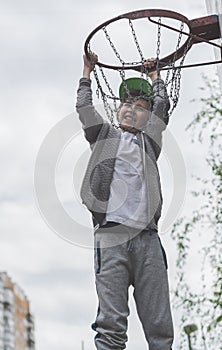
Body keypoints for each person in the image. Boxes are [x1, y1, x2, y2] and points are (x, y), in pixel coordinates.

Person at [76, 52, 174, 350]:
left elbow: (162, 108)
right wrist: (86, 72)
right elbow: (83, 107)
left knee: (159, 327)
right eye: (126, 104)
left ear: (147, 118)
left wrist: (156, 77)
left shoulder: (149, 141)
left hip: (147, 240)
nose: (131, 109)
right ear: (118, 111)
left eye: (140, 106)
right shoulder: (104, 135)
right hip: (112, 237)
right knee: (111, 325)